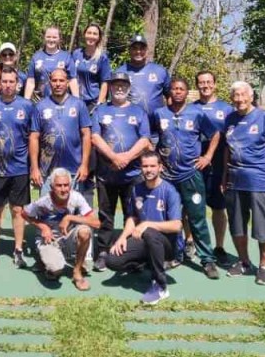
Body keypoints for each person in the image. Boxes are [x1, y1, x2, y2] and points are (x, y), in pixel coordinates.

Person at [151, 78, 220, 280]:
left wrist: (207, 157)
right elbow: (151, 138)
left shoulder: (196, 113)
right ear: (169, 93)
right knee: (170, 219)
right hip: (167, 177)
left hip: (191, 175)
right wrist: (157, 160)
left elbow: (215, 134)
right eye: (174, 89)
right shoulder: (159, 114)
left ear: (186, 92)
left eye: (181, 89)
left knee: (197, 218)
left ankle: (207, 260)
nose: (177, 92)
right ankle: (174, 254)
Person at [223, 81, 265, 285]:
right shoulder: (230, 119)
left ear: (251, 97)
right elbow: (227, 149)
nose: (240, 99)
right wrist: (225, 176)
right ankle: (243, 262)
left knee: (264, 228)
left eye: (243, 95)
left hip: (261, 182)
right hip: (235, 182)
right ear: (232, 98)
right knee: (237, 227)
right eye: (236, 95)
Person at [91, 72, 152, 271]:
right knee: (106, 216)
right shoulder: (101, 110)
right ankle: (103, 251)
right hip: (106, 174)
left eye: (123, 85)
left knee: (133, 215)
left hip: (133, 175)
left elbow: (145, 140)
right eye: (115, 84)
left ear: (128, 87)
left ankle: (132, 254)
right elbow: (95, 137)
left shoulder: (138, 111)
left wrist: (126, 157)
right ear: (109, 87)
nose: (119, 88)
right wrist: (113, 157)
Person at [106, 152, 182, 305]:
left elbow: (177, 225)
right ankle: (144, 264)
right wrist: (122, 238)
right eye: (145, 166)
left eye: (152, 166)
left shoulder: (169, 191)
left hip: (167, 245)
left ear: (160, 167)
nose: (148, 170)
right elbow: (133, 218)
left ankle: (161, 286)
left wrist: (147, 224)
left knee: (149, 232)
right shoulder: (136, 189)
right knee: (112, 260)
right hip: (146, 240)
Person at [0, 66, 34, 269]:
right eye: (5, 81)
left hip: (19, 168)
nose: (8, 85)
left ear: (18, 84)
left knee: (18, 210)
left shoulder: (27, 106)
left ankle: (18, 250)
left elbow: (32, 135)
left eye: (12, 82)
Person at [22, 168, 100, 291]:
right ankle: (49, 261)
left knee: (85, 231)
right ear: (52, 186)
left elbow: (96, 223)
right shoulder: (43, 202)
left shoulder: (76, 197)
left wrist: (69, 217)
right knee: (56, 270)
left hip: (67, 238)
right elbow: (24, 213)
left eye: (66, 185)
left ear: (70, 185)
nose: (63, 189)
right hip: (49, 240)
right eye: (59, 185)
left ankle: (77, 272)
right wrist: (43, 226)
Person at [29, 68, 92, 203]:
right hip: (48, 172)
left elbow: (86, 135)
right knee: (47, 213)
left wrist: (85, 164)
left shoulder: (79, 105)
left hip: (74, 170)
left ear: (68, 83)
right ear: (49, 83)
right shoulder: (40, 106)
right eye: (54, 80)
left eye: (61, 80)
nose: (58, 84)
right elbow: (34, 138)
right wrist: (34, 168)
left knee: (72, 212)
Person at [193, 71, 234, 264]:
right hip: (194, 165)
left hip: (218, 166)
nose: (205, 85)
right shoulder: (190, 108)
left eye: (209, 82)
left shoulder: (226, 109)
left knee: (218, 207)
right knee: (191, 205)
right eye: (201, 82)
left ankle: (219, 246)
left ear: (215, 84)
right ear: (197, 86)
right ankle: (189, 242)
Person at [115, 35, 170, 126]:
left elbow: (170, 97)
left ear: (147, 50)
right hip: (130, 127)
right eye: (135, 48)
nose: (138, 52)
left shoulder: (160, 71)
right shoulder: (120, 72)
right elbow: (115, 101)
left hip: (156, 129)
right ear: (129, 50)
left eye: (142, 48)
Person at [24, 26, 79, 101]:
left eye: (54, 37)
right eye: (48, 37)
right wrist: (26, 101)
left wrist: (77, 101)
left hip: (62, 101)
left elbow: (72, 80)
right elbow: (30, 81)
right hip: (40, 101)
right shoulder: (36, 56)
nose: (51, 40)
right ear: (44, 38)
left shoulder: (66, 57)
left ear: (59, 39)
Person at [72, 23, 111, 112]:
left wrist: (100, 103)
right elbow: (70, 77)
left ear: (99, 37)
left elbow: (105, 82)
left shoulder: (102, 57)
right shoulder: (76, 54)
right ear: (84, 34)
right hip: (76, 100)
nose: (91, 36)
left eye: (95, 34)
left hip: (92, 102)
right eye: (89, 33)